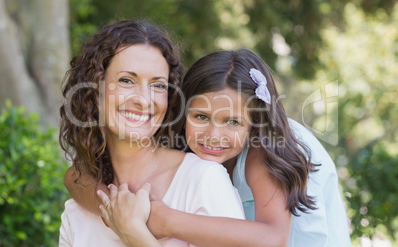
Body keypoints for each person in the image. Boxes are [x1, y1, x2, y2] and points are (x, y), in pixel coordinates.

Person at [65, 48, 351, 246]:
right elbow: (75, 176)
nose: (214, 135)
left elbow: (273, 239)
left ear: (254, 124)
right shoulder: (180, 145)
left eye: (233, 122)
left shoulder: (264, 146)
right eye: (201, 117)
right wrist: (119, 205)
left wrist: (163, 219)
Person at [58, 20, 245, 247]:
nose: (143, 99)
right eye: (126, 80)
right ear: (94, 89)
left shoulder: (203, 181)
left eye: (158, 85)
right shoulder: (79, 209)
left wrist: (135, 235)